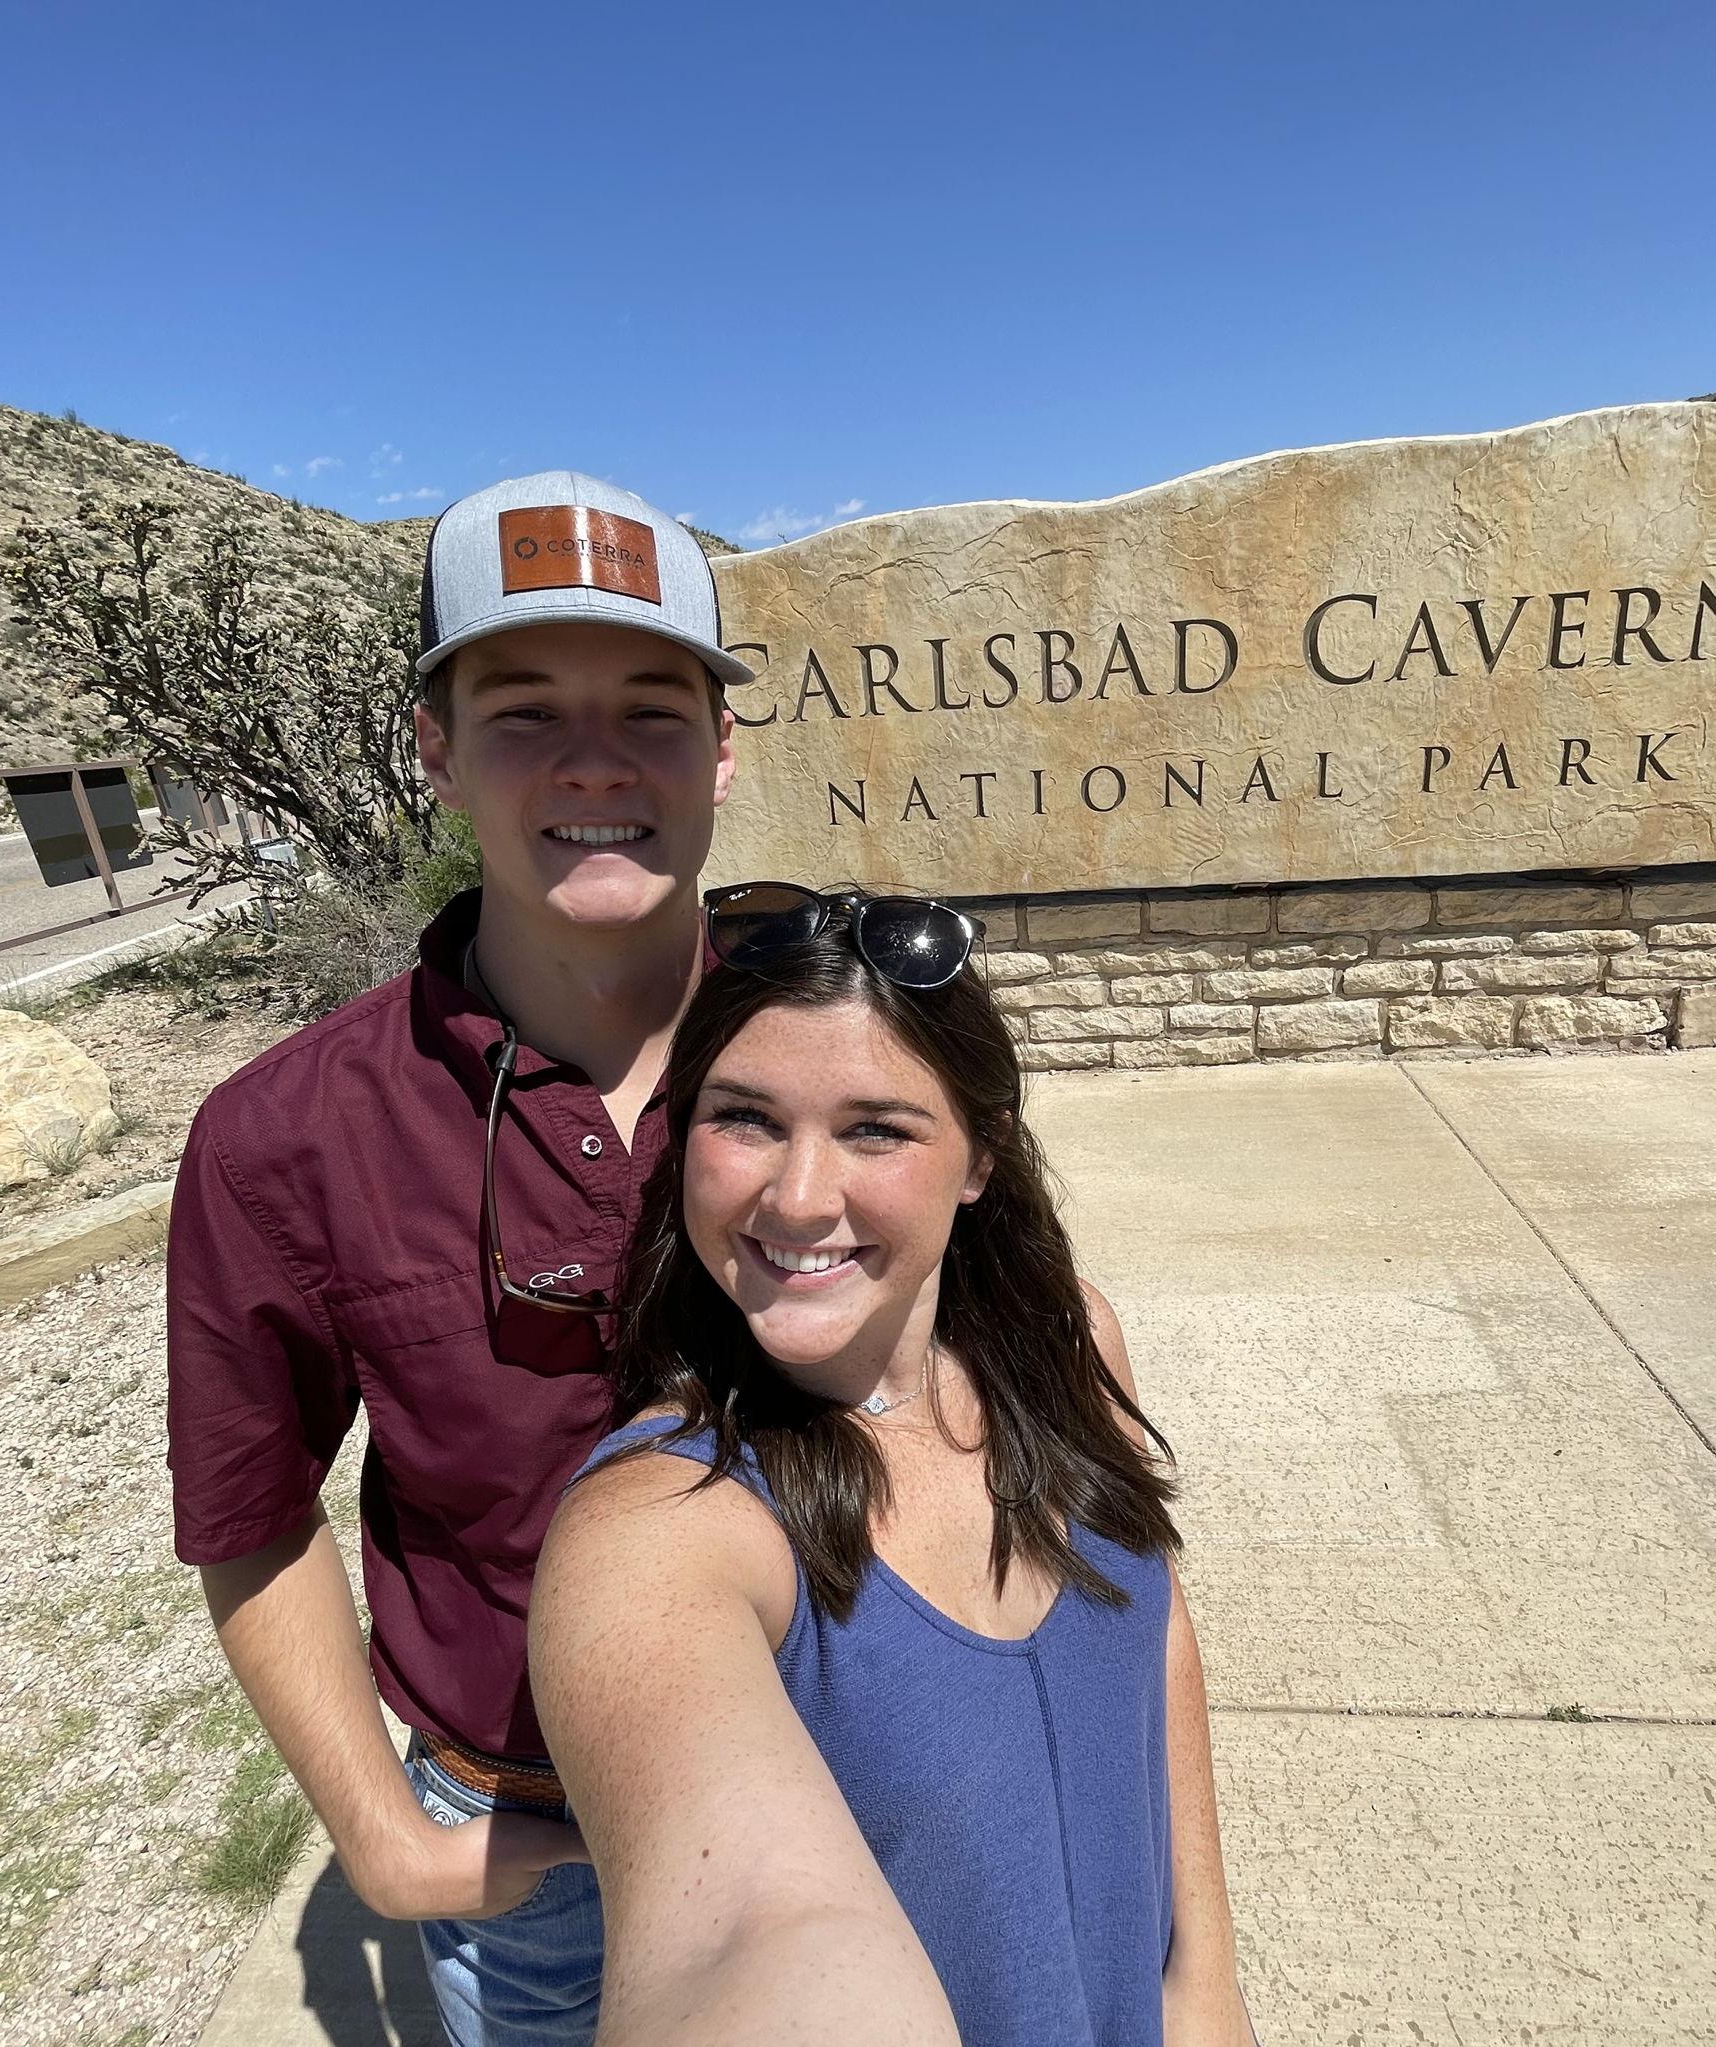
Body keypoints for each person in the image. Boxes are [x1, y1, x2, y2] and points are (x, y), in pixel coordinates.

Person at [166, 472, 748, 2046]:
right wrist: (383, 1837)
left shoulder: (854, 1047)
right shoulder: (280, 1138)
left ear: (721, 746)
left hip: (870, 1780)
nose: (593, 761)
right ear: (433, 749)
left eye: (651, 703)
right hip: (528, 1846)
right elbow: (248, 1511)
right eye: (519, 710)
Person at [530, 882, 1259, 2047]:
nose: (799, 1195)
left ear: (979, 1158)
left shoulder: (1069, 1346)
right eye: (745, 1119)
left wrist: (1204, 1981)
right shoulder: (665, 1518)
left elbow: (1152, 1622)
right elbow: (740, 1938)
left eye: (875, 1128)